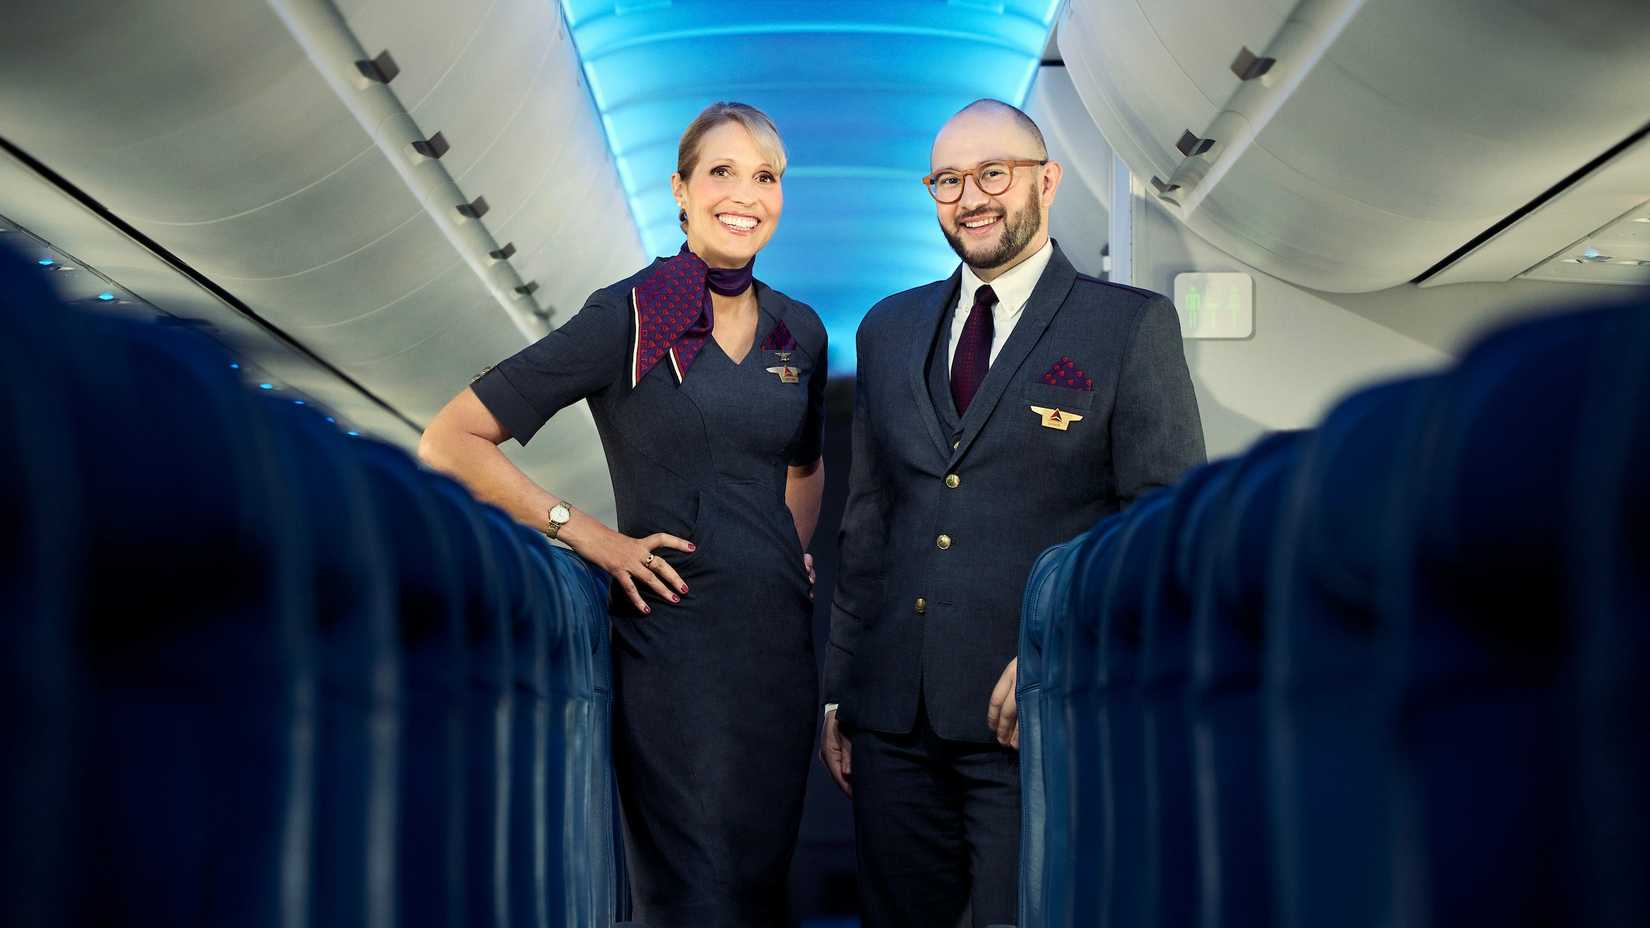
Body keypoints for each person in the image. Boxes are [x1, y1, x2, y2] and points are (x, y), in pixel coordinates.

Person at [419, 102, 827, 928]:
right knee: (694, 901)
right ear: (679, 188)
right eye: (722, 171)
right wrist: (589, 534)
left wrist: (783, 549)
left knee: (755, 896)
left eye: (766, 176)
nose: (745, 193)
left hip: (778, 658)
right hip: (673, 653)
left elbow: (804, 464)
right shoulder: (630, 312)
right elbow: (451, 439)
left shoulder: (801, 331)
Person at [819, 99, 1206, 927]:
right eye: (949, 181)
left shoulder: (1126, 326)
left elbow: (1165, 524)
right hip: (892, 720)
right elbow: (868, 523)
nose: (972, 197)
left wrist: (1057, 647)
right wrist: (839, 692)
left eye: (993, 173)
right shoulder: (888, 328)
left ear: (1047, 180)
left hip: (1033, 717)